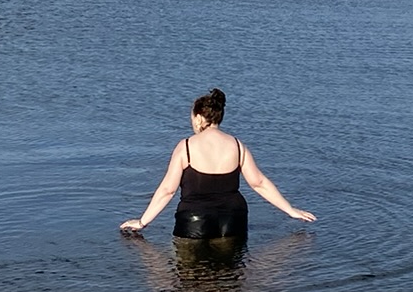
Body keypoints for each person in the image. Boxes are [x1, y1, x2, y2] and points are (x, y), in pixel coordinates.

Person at [120, 88, 316, 239]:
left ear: (198, 117)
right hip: (233, 219)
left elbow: (167, 190)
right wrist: (290, 210)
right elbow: (259, 183)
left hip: (194, 220)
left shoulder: (186, 147)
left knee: (189, 281)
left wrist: (142, 221)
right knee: (230, 279)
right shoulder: (237, 146)